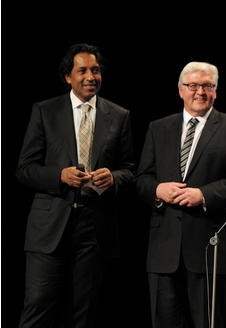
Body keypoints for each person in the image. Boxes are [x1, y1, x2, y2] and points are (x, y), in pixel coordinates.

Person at [16, 43, 136, 327]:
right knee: (38, 307)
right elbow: (24, 170)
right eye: (82, 70)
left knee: (83, 313)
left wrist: (114, 178)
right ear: (68, 77)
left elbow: (130, 170)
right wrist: (60, 175)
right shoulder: (45, 111)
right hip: (49, 227)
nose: (90, 77)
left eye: (95, 70)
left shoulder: (119, 115)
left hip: (94, 229)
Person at [136, 61, 226, 328]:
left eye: (207, 86)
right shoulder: (158, 128)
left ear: (216, 91)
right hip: (163, 250)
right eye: (193, 86)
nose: (200, 92)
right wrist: (158, 190)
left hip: (207, 248)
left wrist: (203, 194)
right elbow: (141, 179)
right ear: (180, 90)